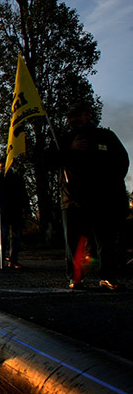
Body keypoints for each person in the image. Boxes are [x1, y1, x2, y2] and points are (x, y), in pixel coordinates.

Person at [57, 102, 129, 290]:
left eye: (78, 115)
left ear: (88, 115)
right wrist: (69, 150)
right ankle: (75, 277)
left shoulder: (106, 136)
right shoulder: (64, 140)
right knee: (73, 242)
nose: (74, 119)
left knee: (105, 240)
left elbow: (122, 161)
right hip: (72, 200)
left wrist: (111, 185)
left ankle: (107, 276)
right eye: (70, 117)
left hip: (102, 199)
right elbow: (47, 160)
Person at [0, 157, 28, 269]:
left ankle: (13, 260)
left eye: (5, 166)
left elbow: (23, 194)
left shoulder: (17, 178)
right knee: (2, 237)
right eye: (1, 166)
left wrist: (27, 210)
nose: (3, 168)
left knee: (16, 238)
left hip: (16, 211)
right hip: (3, 213)